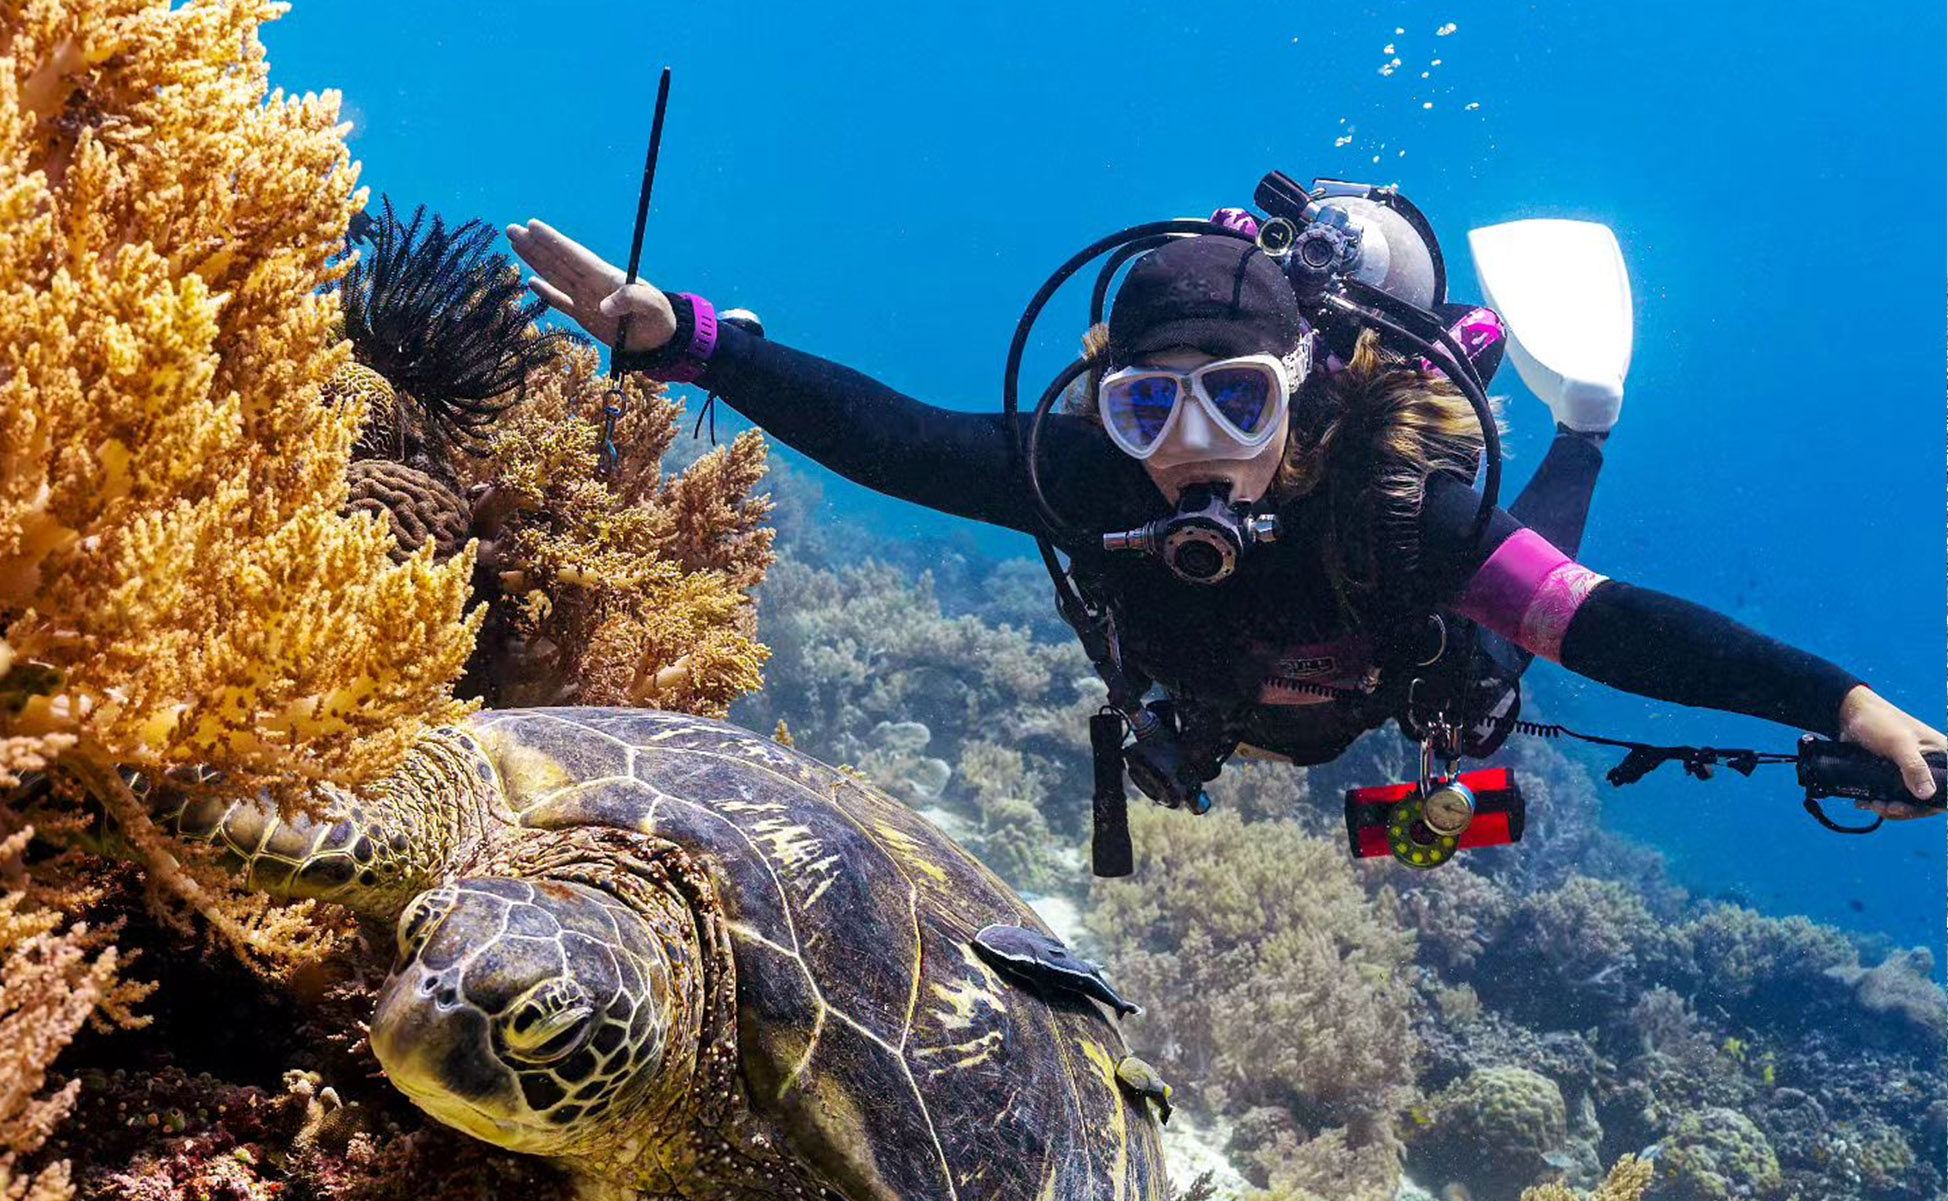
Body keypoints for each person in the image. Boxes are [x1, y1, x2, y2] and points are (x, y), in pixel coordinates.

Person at [505, 212, 1945, 838]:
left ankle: (1579, 419)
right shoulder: (1089, 479)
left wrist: (1843, 697)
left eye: (1238, 404)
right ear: (1105, 400)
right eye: (1147, 410)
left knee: (1511, 632)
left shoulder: (1393, 513)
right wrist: (689, 339)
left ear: (1304, 392)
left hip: (1402, 659)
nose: (1191, 449)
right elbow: (900, 441)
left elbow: (1617, 625)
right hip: (1230, 704)